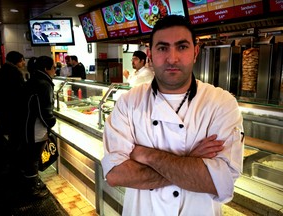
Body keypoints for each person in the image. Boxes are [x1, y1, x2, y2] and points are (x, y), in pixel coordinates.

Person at [101, 15, 244, 216]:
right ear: (150, 54)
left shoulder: (221, 103)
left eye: (182, 47)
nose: (172, 58)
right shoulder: (129, 102)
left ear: (195, 52)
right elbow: (116, 175)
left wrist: (145, 154)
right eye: (162, 48)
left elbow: (218, 182)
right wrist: (191, 160)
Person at [21, 55, 57, 198]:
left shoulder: (34, 80)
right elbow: (44, 111)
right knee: (33, 158)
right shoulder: (44, 84)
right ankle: (32, 190)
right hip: (35, 129)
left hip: (27, 126)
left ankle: (32, 183)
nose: (55, 70)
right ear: (46, 68)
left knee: (30, 157)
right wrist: (51, 123)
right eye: (54, 67)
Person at [0, 51, 26, 175]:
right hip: (13, 113)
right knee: (16, 140)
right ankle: (15, 168)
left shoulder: (2, 72)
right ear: (17, 61)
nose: (24, 63)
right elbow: (20, 95)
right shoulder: (14, 74)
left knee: (10, 139)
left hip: (4, 113)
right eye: (22, 60)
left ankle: (11, 165)